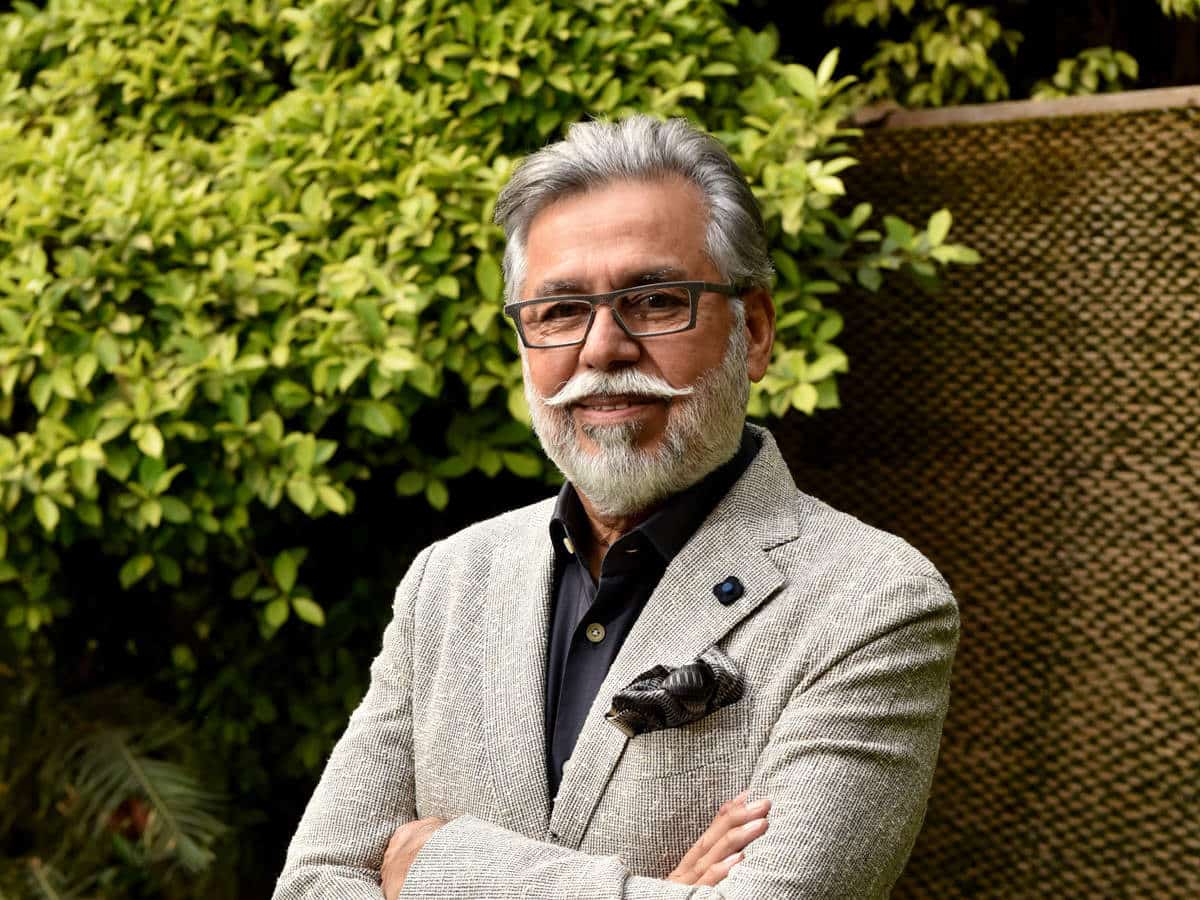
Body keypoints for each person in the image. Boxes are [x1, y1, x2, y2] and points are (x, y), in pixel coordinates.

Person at [272, 115, 959, 899]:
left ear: (756, 332)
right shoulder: (449, 580)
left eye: (656, 300)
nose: (602, 348)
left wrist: (434, 869)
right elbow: (314, 885)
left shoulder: (873, 601)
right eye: (560, 311)